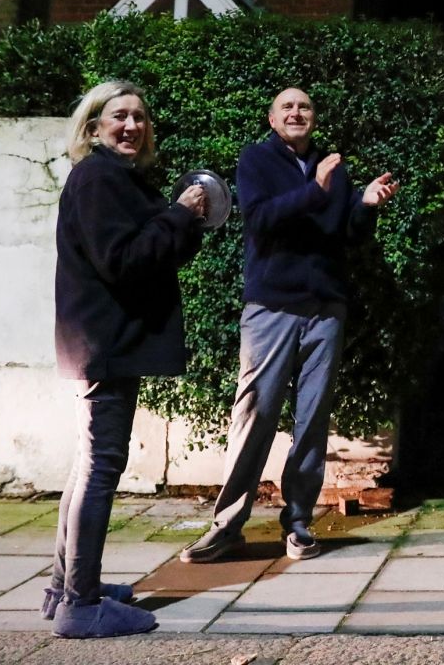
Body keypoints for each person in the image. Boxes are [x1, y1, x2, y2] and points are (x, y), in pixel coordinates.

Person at [180, 87, 398, 564]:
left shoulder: (332, 166)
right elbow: (260, 220)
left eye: (305, 107)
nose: (297, 112)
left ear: (313, 117)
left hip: (326, 309)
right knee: (254, 415)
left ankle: (298, 524)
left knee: (313, 419)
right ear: (272, 119)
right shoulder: (256, 160)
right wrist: (314, 190)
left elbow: (348, 237)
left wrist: (365, 205)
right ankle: (226, 526)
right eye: (288, 107)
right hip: (272, 307)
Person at [49, 80, 207, 638]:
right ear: (93, 127)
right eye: (120, 116)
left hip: (104, 342)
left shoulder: (117, 178)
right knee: (100, 468)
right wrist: (178, 215)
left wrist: (185, 219)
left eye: (140, 116)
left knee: (88, 465)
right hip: (105, 345)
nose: (133, 125)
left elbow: (154, 250)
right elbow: (123, 261)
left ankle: (65, 587)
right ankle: (80, 606)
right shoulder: (98, 178)